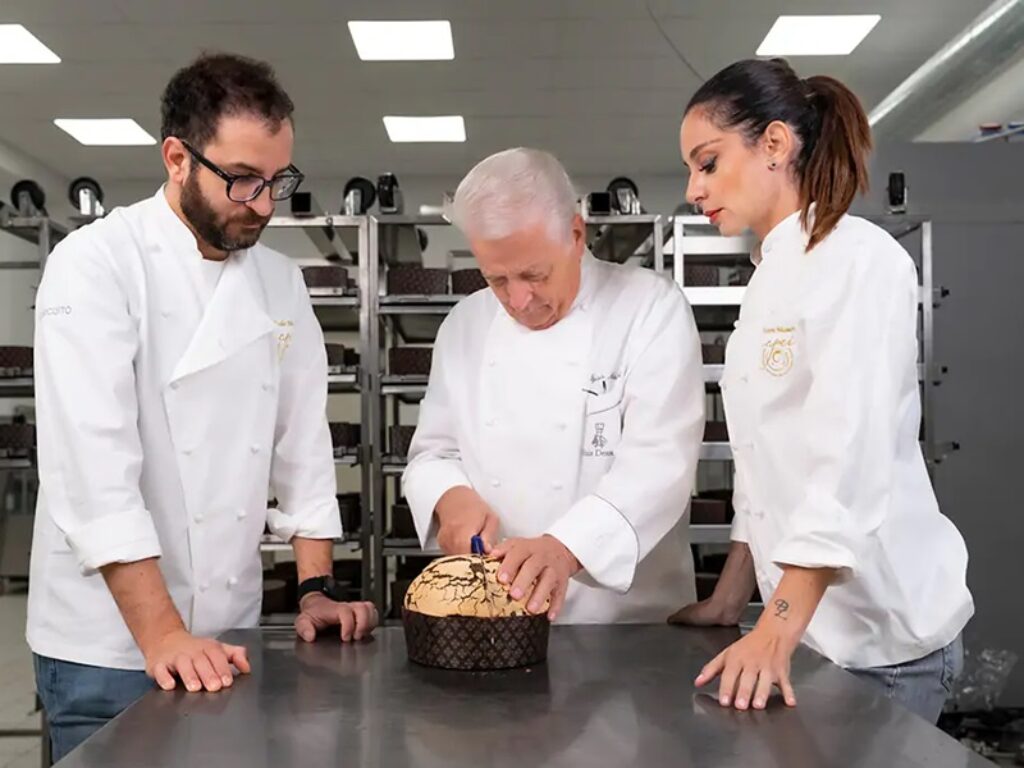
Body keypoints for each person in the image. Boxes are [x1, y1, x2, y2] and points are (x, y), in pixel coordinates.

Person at [27, 52, 377, 761]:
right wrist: (162, 635)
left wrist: (315, 589)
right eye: (243, 179)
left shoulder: (281, 282)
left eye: (278, 180)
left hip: (224, 633)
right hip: (108, 646)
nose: (265, 203)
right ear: (178, 158)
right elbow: (93, 473)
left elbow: (303, 450)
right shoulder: (95, 263)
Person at [670, 58, 973, 723]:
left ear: (775, 144)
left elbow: (846, 455)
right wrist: (730, 602)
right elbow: (766, 468)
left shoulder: (856, 260)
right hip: (815, 635)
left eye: (708, 162)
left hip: (884, 645)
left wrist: (775, 628)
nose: (694, 188)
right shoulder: (770, 277)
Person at [402, 147, 705, 623]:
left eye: (533, 275)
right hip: (497, 617)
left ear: (576, 235)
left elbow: (660, 465)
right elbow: (432, 454)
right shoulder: (464, 325)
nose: (518, 300)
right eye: (496, 279)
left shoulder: (649, 310)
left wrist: (566, 549)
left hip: (628, 625)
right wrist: (450, 498)